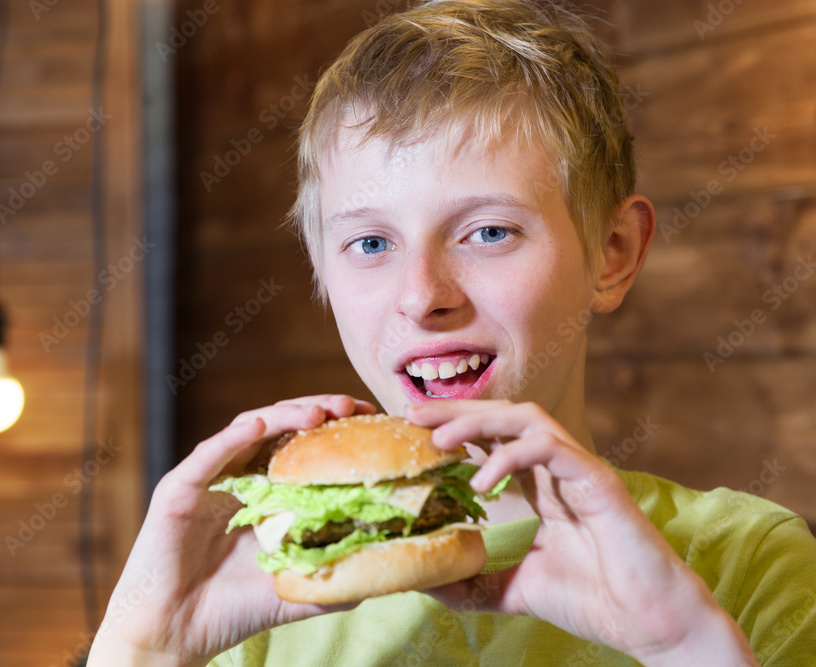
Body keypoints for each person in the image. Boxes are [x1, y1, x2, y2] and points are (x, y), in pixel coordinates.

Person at [89, 1, 816, 664]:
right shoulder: (255, 592)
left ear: (613, 253)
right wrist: (140, 647)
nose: (421, 296)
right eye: (371, 244)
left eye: (488, 231)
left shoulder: (746, 559)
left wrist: (685, 644)